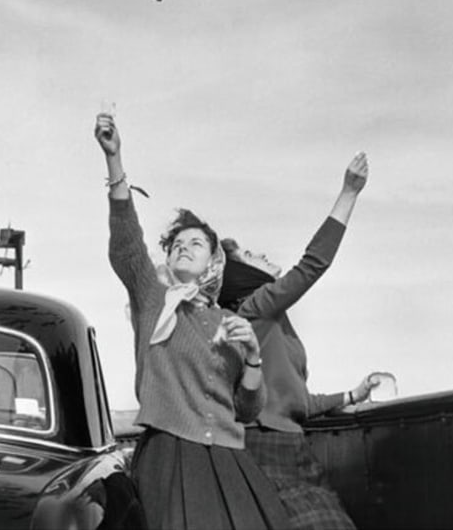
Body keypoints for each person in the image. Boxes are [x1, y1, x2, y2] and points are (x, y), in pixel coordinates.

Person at [95, 110, 291, 530]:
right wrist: (115, 163)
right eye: (177, 243)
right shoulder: (153, 299)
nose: (184, 247)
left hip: (228, 462)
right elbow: (127, 245)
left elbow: (246, 408)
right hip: (169, 458)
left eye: (196, 243)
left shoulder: (227, 320)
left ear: (212, 262)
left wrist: (253, 359)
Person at [218, 153, 377, 530]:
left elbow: (297, 401)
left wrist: (352, 396)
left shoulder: (270, 320)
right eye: (251, 255)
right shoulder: (254, 308)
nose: (264, 255)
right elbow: (313, 264)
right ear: (241, 273)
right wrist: (349, 192)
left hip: (293, 448)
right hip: (265, 448)